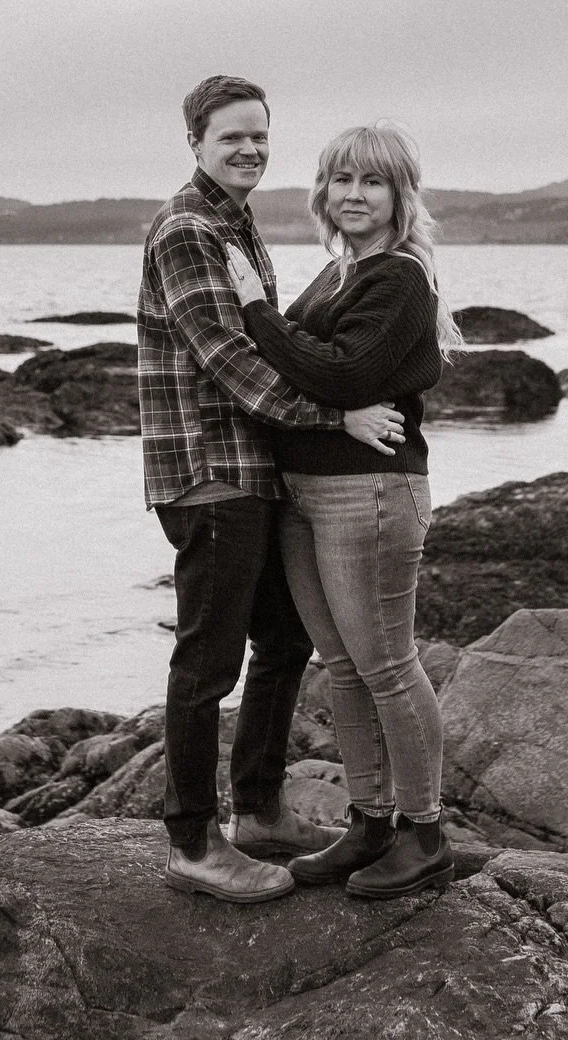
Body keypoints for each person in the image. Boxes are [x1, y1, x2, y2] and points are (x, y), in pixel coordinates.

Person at [139, 75, 408, 904]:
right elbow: (233, 361)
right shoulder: (189, 229)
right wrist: (341, 417)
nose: (250, 149)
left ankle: (257, 811)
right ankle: (192, 843)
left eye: (260, 136)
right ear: (195, 143)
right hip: (211, 475)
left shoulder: (234, 221)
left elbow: (272, 340)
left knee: (285, 641)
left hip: (253, 474)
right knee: (206, 663)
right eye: (231, 138)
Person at [225, 120, 461, 898]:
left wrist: (257, 309)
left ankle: (425, 835)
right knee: (344, 668)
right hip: (306, 492)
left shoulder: (396, 276)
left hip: (371, 494)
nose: (353, 194)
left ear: (401, 195)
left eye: (372, 181)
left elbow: (337, 370)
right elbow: (303, 376)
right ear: (323, 191)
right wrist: (310, 376)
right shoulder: (339, 274)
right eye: (340, 179)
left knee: (388, 665)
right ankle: (369, 823)